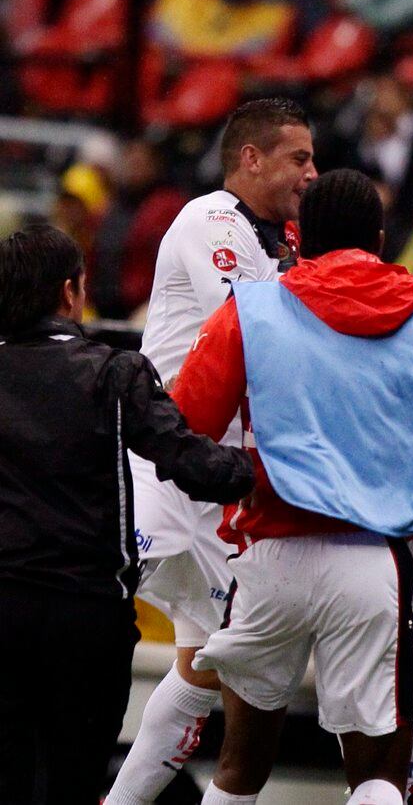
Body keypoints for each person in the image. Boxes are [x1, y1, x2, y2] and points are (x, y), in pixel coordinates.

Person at [168, 169, 413, 804]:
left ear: (298, 237)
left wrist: (239, 476)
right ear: (382, 237)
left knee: (240, 767)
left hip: (268, 557)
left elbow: (186, 421)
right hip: (371, 568)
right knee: (375, 777)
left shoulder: (248, 309)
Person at [107, 98, 318, 805]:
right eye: (299, 158)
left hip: (216, 474)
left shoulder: (279, 236)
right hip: (176, 472)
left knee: (206, 664)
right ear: (250, 158)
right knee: (240, 657)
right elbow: (258, 330)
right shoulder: (212, 220)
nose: (311, 174)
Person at [0, 225, 254, 804]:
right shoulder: (115, 372)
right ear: (71, 292)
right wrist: (265, 473)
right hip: (84, 616)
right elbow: (190, 462)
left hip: (4, 606)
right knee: (74, 779)